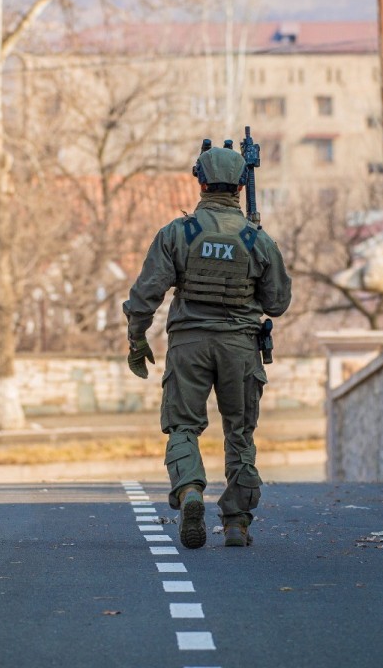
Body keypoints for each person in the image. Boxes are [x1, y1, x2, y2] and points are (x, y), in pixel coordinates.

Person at [124, 142, 291, 549]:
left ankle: (190, 491)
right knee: (240, 432)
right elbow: (278, 303)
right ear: (240, 185)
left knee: (183, 426)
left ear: (199, 180)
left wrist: (136, 339)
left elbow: (145, 294)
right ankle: (236, 522)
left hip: (189, 344)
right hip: (239, 348)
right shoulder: (258, 240)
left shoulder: (177, 233)